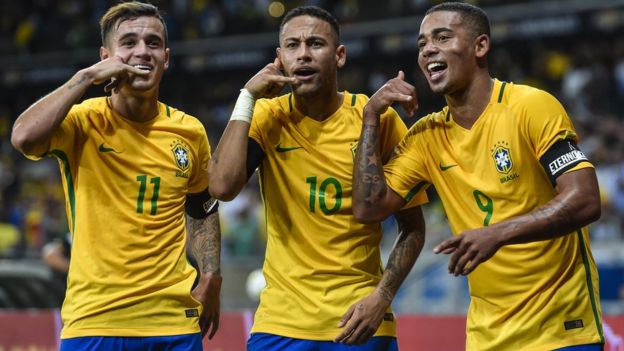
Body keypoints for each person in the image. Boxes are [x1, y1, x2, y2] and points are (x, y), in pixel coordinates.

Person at [352, 2, 604, 351]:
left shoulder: (530, 106)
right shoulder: (427, 136)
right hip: (487, 338)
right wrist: (370, 118)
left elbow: (586, 199)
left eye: (442, 37)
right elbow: (369, 209)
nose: (428, 50)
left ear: (480, 46)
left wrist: (498, 234)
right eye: (422, 43)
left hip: (562, 331)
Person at [208, 6, 427, 350]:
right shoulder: (268, 117)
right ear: (280, 58)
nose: (304, 55)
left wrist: (382, 297)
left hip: (360, 321)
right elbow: (221, 187)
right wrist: (247, 97)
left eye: (315, 44)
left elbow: (413, 227)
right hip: (282, 324)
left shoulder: (377, 120)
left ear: (339, 55)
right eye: (293, 46)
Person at [11, 2, 221, 350]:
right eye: (129, 42)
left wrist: (212, 273)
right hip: (95, 321)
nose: (143, 51)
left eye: (153, 43)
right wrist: (85, 77)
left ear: (166, 58)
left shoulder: (190, 131)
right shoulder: (82, 121)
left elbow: (202, 208)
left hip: (174, 322)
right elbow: (23, 138)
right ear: (106, 55)